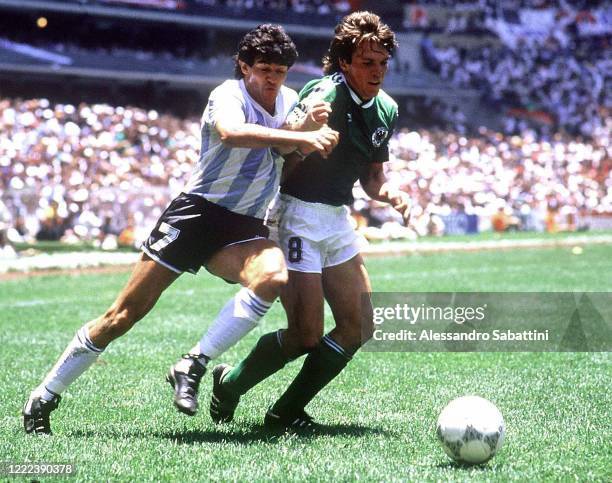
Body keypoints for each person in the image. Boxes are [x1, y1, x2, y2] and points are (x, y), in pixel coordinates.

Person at [23, 24, 339, 435]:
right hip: (196, 215)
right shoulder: (227, 94)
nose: (272, 79)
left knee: (273, 276)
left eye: (280, 71)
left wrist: (307, 136)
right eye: (264, 69)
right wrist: (302, 134)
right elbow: (232, 132)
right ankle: (44, 395)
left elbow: (283, 150)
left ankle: (192, 363)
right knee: (123, 315)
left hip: (243, 224)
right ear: (244, 67)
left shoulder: (291, 101)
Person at [208, 11, 411, 432]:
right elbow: (281, 156)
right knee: (305, 334)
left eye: (383, 63)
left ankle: (285, 412)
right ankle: (230, 384)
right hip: (297, 214)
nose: (377, 72)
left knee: (360, 325)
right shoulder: (324, 94)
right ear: (344, 63)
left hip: (337, 219)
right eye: (367, 62)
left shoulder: (387, 109)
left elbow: (373, 179)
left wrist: (391, 193)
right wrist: (303, 135)